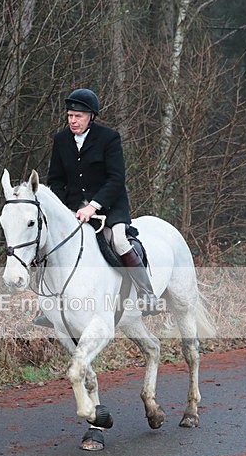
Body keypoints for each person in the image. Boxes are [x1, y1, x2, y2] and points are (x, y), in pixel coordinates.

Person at [41, 87, 159, 319]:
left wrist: (93, 206)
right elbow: (55, 181)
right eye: (69, 116)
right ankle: (47, 307)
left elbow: (116, 179)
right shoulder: (61, 140)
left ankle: (147, 295)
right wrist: (68, 209)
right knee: (51, 245)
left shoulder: (109, 138)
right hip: (73, 209)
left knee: (121, 241)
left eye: (78, 116)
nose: (72, 121)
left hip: (109, 207)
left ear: (91, 116)